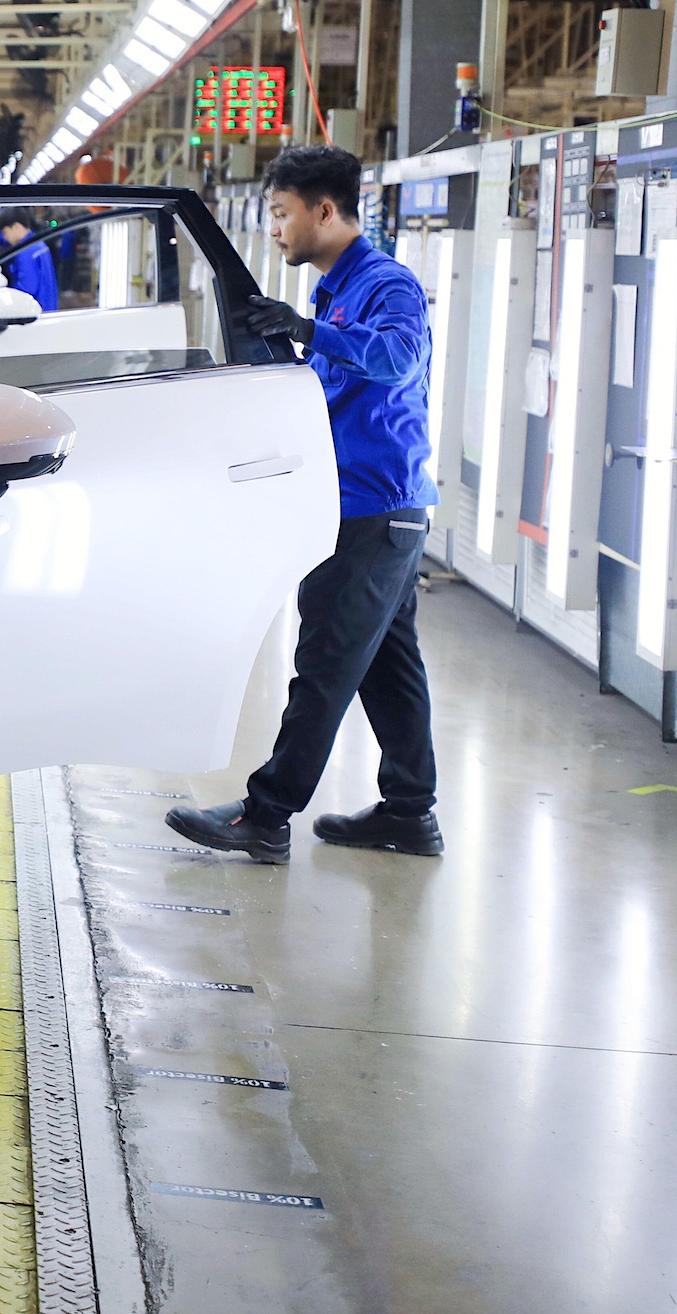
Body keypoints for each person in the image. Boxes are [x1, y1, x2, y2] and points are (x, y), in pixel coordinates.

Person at [169, 145, 442, 864]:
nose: (277, 229)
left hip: (374, 508)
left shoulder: (387, 285)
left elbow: (396, 360)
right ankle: (411, 812)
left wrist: (309, 331)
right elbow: (323, 394)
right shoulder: (334, 290)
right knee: (387, 659)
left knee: (323, 659)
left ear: (325, 210)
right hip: (358, 502)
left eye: (283, 214)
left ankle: (266, 813)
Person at [0, 215, 58, 311]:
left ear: (16, 227)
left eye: (5, 232)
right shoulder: (39, 244)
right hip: (49, 308)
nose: (5, 237)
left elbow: (26, 289)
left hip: (35, 315)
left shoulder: (26, 250)